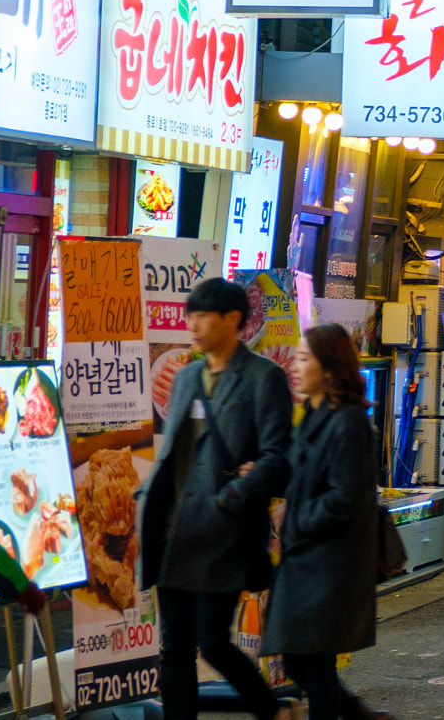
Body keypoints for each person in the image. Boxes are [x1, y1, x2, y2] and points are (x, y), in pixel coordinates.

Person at [138, 277, 294, 720]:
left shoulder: (265, 377)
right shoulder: (186, 375)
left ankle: (272, 709)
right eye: (192, 315)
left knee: (212, 640)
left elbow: (278, 456)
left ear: (233, 320)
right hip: (177, 532)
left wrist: (233, 496)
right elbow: (176, 451)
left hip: (226, 534)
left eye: (204, 316)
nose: (194, 324)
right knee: (174, 649)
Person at [263, 326, 384, 720]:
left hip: (332, 563)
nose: (294, 366)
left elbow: (346, 498)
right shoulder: (314, 414)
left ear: (329, 370)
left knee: (314, 665)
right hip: (309, 559)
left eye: (304, 358)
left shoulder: (348, 423)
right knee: (301, 662)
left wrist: (298, 519)